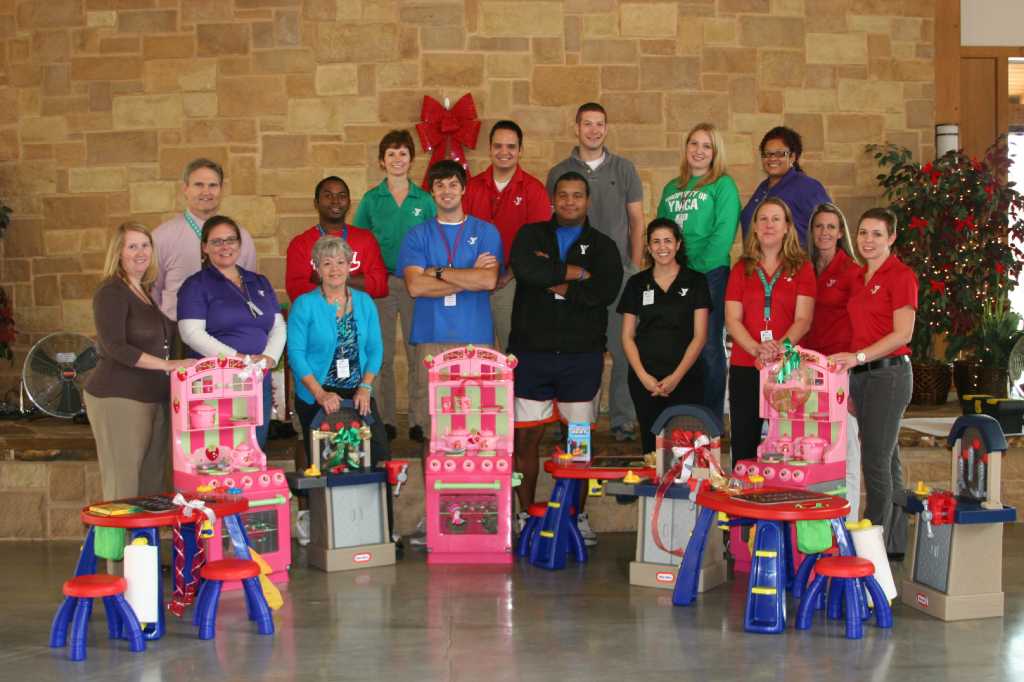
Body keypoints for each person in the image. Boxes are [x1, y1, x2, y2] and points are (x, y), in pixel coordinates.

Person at [509, 171, 624, 545]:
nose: (570, 202)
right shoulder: (530, 236)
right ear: (552, 200)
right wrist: (573, 275)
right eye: (564, 195)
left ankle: (577, 516)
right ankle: (525, 515)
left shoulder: (604, 246)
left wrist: (554, 282)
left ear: (587, 201)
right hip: (531, 354)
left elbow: (603, 291)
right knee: (526, 442)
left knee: (577, 443)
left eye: (577, 196)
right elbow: (526, 270)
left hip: (581, 358)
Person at [546, 102, 644, 442]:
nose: (593, 130)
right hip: (574, 277)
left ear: (606, 127)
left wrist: (633, 268)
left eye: (599, 124)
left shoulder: (625, 168)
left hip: (618, 277)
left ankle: (622, 419)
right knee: (576, 350)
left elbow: (636, 220)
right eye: (587, 124)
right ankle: (573, 421)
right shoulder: (559, 171)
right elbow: (553, 224)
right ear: (577, 128)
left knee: (623, 349)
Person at [287, 235, 390, 544]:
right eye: (327, 263)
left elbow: (375, 349)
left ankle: (376, 529)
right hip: (317, 394)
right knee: (328, 463)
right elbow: (296, 355)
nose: (334, 269)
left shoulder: (364, 301)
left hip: (357, 392)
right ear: (316, 268)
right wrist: (320, 394)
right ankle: (325, 531)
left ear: (350, 266)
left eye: (340, 262)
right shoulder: (305, 305)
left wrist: (365, 387)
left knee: (376, 453)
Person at [84, 223, 196, 500]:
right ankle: (113, 545)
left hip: (153, 398)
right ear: (118, 253)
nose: (140, 252)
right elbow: (114, 347)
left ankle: (146, 543)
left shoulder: (144, 292)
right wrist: (168, 365)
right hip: (119, 397)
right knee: (123, 487)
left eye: (145, 245)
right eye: (131, 246)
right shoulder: (111, 292)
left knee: (153, 485)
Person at [829, 208, 916, 557]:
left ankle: (871, 543)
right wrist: (852, 375)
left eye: (877, 234)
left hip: (889, 375)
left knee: (875, 462)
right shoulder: (860, 276)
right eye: (863, 233)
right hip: (864, 378)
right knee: (888, 459)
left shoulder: (901, 275)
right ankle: (893, 544)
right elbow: (857, 330)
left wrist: (859, 358)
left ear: (892, 237)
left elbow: (903, 333)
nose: (868, 240)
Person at [354, 130, 437, 443]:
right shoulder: (372, 200)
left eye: (403, 153)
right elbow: (359, 243)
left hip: (417, 284)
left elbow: (435, 239)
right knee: (382, 353)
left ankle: (418, 419)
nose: (397, 159)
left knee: (418, 353)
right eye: (391, 154)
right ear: (381, 161)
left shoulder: (424, 200)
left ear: (411, 160)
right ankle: (385, 418)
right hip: (383, 284)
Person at [177, 216, 286, 448]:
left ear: (239, 243)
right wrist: (237, 360)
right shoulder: (196, 285)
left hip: (257, 379)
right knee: (221, 452)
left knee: (254, 449)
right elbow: (190, 333)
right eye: (217, 242)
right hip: (217, 382)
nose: (225, 246)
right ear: (204, 247)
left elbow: (277, 326)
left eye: (231, 240)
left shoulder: (258, 281)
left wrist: (269, 358)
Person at [656, 122, 740, 423]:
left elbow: (723, 234)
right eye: (694, 143)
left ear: (715, 152)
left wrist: (691, 272)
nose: (699, 151)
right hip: (673, 277)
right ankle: (681, 418)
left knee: (707, 345)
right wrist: (669, 270)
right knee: (677, 344)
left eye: (707, 146)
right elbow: (660, 234)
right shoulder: (671, 188)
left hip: (709, 275)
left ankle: (710, 421)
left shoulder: (723, 185)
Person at [725, 198, 815, 464]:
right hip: (746, 364)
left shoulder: (802, 267)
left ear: (787, 226)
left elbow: (803, 319)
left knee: (786, 442)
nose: (769, 225)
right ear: (754, 227)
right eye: (762, 219)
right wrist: (756, 348)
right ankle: (742, 504)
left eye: (776, 219)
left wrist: (778, 350)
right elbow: (732, 319)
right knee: (744, 443)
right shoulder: (742, 268)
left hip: (788, 366)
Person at [619, 218, 711, 454]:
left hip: (686, 378)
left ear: (678, 244)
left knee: (685, 449)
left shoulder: (696, 281)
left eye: (668, 241)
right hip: (645, 380)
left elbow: (700, 336)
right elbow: (627, 336)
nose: (662, 247)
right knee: (651, 449)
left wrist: (675, 377)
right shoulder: (637, 283)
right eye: (656, 242)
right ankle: (653, 493)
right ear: (648, 247)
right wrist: (644, 377)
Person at [463, 120, 551, 352]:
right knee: (475, 354)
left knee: (512, 353)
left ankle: (513, 390)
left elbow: (540, 245)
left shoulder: (534, 190)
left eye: (511, 147)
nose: (504, 152)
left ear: (520, 150)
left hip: (513, 284)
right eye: (498, 146)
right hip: (473, 285)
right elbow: (459, 234)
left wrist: (509, 274)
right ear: (490, 149)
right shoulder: (471, 187)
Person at [801, 203, 864, 519]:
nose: (824, 233)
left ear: (841, 233)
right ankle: (815, 523)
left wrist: (853, 381)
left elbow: (861, 327)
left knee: (847, 454)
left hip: (841, 372)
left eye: (831, 227)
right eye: (818, 226)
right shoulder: (804, 269)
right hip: (808, 374)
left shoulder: (852, 271)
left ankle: (848, 525)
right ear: (811, 232)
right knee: (813, 453)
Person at [152, 158, 257, 323]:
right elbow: (153, 291)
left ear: (221, 190)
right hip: (178, 333)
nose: (206, 192)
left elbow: (251, 286)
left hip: (230, 332)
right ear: (185, 189)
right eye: (198, 185)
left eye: (213, 185)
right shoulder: (162, 236)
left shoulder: (242, 237)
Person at [285, 176, 388, 302]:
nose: (335, 201)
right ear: (316, 203)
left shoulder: (366, 239)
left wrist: (327, 278)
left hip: (357, 317)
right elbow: (297, 291)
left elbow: (380, 286)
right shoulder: (300, 244)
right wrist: (357, 281)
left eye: (342, 196)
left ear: (349, 202)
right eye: (328, 196)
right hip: (316, 318)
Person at [739, 127, 831, 246]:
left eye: (780, 154)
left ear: (792, 157)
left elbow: (827, 227)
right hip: (757, 262)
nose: (772, 158)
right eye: (767, 154)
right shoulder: (763, 188)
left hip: (793, 262)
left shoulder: (807, 187)